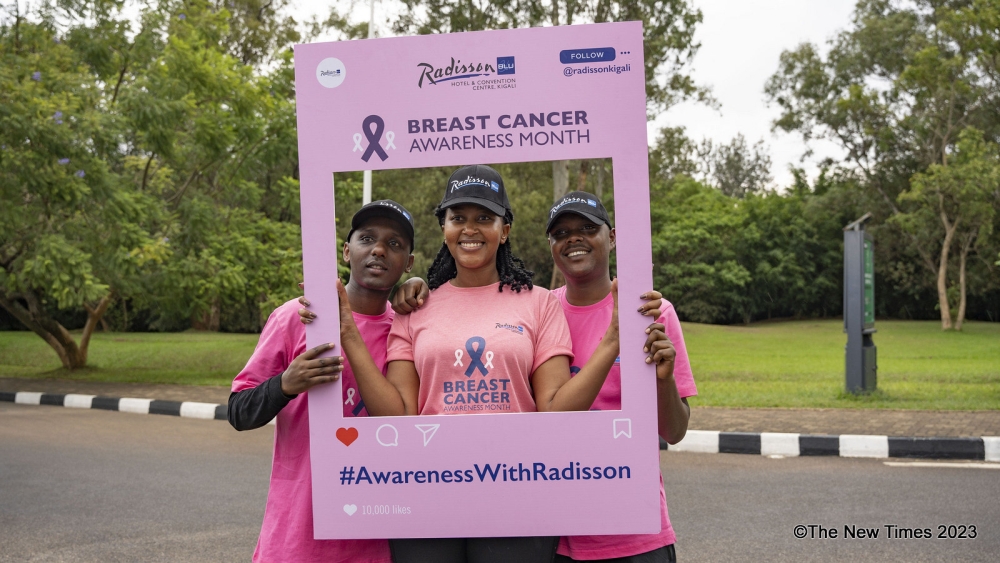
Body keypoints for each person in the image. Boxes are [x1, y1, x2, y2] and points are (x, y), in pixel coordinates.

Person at [332, 165, 621, 563]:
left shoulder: (539, 304)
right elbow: (398, 414)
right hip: (426, 492)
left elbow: (554, 409)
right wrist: (349, 335)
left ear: (504, 230)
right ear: (445, 229)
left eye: (484, 218)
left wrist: (613, 339)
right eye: (458, 218)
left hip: (519, 495)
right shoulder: (415, 307)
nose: (470, 229)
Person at [228, 200, 417, 563]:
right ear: (347, 251)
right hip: (295, 540)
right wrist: (285, 384)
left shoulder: (409, 329)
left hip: (376, 542)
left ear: (408, 264)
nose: (379, 249)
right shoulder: (297, 316)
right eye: (367, 239)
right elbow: (239, 411)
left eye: (395, 244)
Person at [545, 192, 696, 563]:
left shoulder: (652, 311)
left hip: (637, 532)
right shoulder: (542, 311)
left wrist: (663, 380)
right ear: (551, 246)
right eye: (561, 232)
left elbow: (674, 432)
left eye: (586, 228)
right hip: (560, 534)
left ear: (611, 237)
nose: (573, 238)